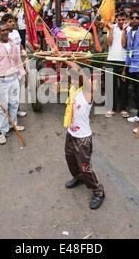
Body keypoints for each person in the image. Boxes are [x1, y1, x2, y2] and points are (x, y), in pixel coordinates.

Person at [60, 54, 105, 210]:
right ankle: (78, 178)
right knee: (70, 159)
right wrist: (57, 56)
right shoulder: (74, 90)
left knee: (85, 167)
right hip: (71, 134)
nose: (69, 80)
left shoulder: (87, 93)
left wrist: (63, 58)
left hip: (83, 139)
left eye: (73, 78)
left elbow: (77, 70)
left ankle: (98, 192)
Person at [0, 21, 26, 145]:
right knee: (3, 107)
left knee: (14, 103)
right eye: (2, 30)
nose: (5, 32)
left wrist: (23, 73)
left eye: (6, 30)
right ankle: (2, 131)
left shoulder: (12, 42)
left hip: (13, 78)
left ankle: (13, 124)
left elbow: (18, 58)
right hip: (1, 80)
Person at [2, 13, 28, 117]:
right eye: (10, 21)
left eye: (13, 21)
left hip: (19, 64)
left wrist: (23, 51)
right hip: (9, 66)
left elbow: (19, 43)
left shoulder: (16, 32)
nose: (13, 23)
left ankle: (17, 109)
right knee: (10, 89)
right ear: (4, 24)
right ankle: (10, 112)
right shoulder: (3, 36)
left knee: (18, 88)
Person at [105, 12, 129, 118]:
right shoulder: (111, 27)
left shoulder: (129, 29)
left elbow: (124, 45)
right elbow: (109, 43)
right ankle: (112, 108)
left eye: (123, 20)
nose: (121, 22)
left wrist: (124, 29)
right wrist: (110, 30)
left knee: (124, 85)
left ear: (127, 20)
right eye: (119, 20)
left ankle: (123, 108)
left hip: (124, 61)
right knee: (111, 85)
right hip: (111, 60)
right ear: (116, 20)